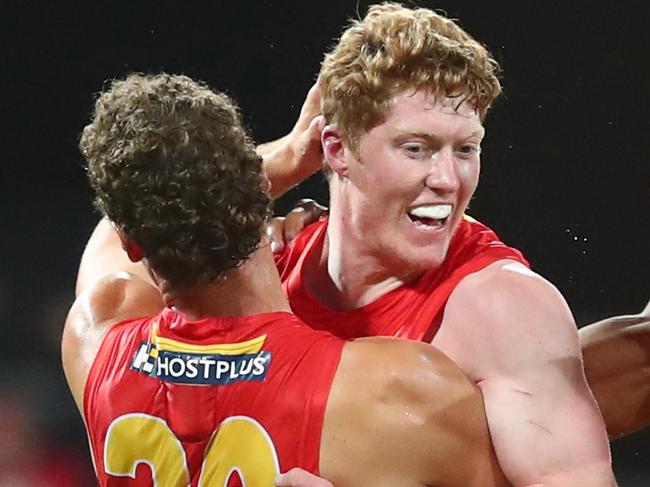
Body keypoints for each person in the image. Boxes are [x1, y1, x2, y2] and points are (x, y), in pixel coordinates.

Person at [62, 73, 510, 486]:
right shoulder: (397, 390)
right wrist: (295, 155)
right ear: (256, 191)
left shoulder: (95, 335)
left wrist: (283, 161)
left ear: (134, 242)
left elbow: (113, 233)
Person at [263, 3, 616, 485]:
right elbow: (131, 230)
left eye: (466, 149)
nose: (449, 180)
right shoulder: (266, 265)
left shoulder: (504, 310)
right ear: (337, 149)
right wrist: (282, 161)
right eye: (417, 148)